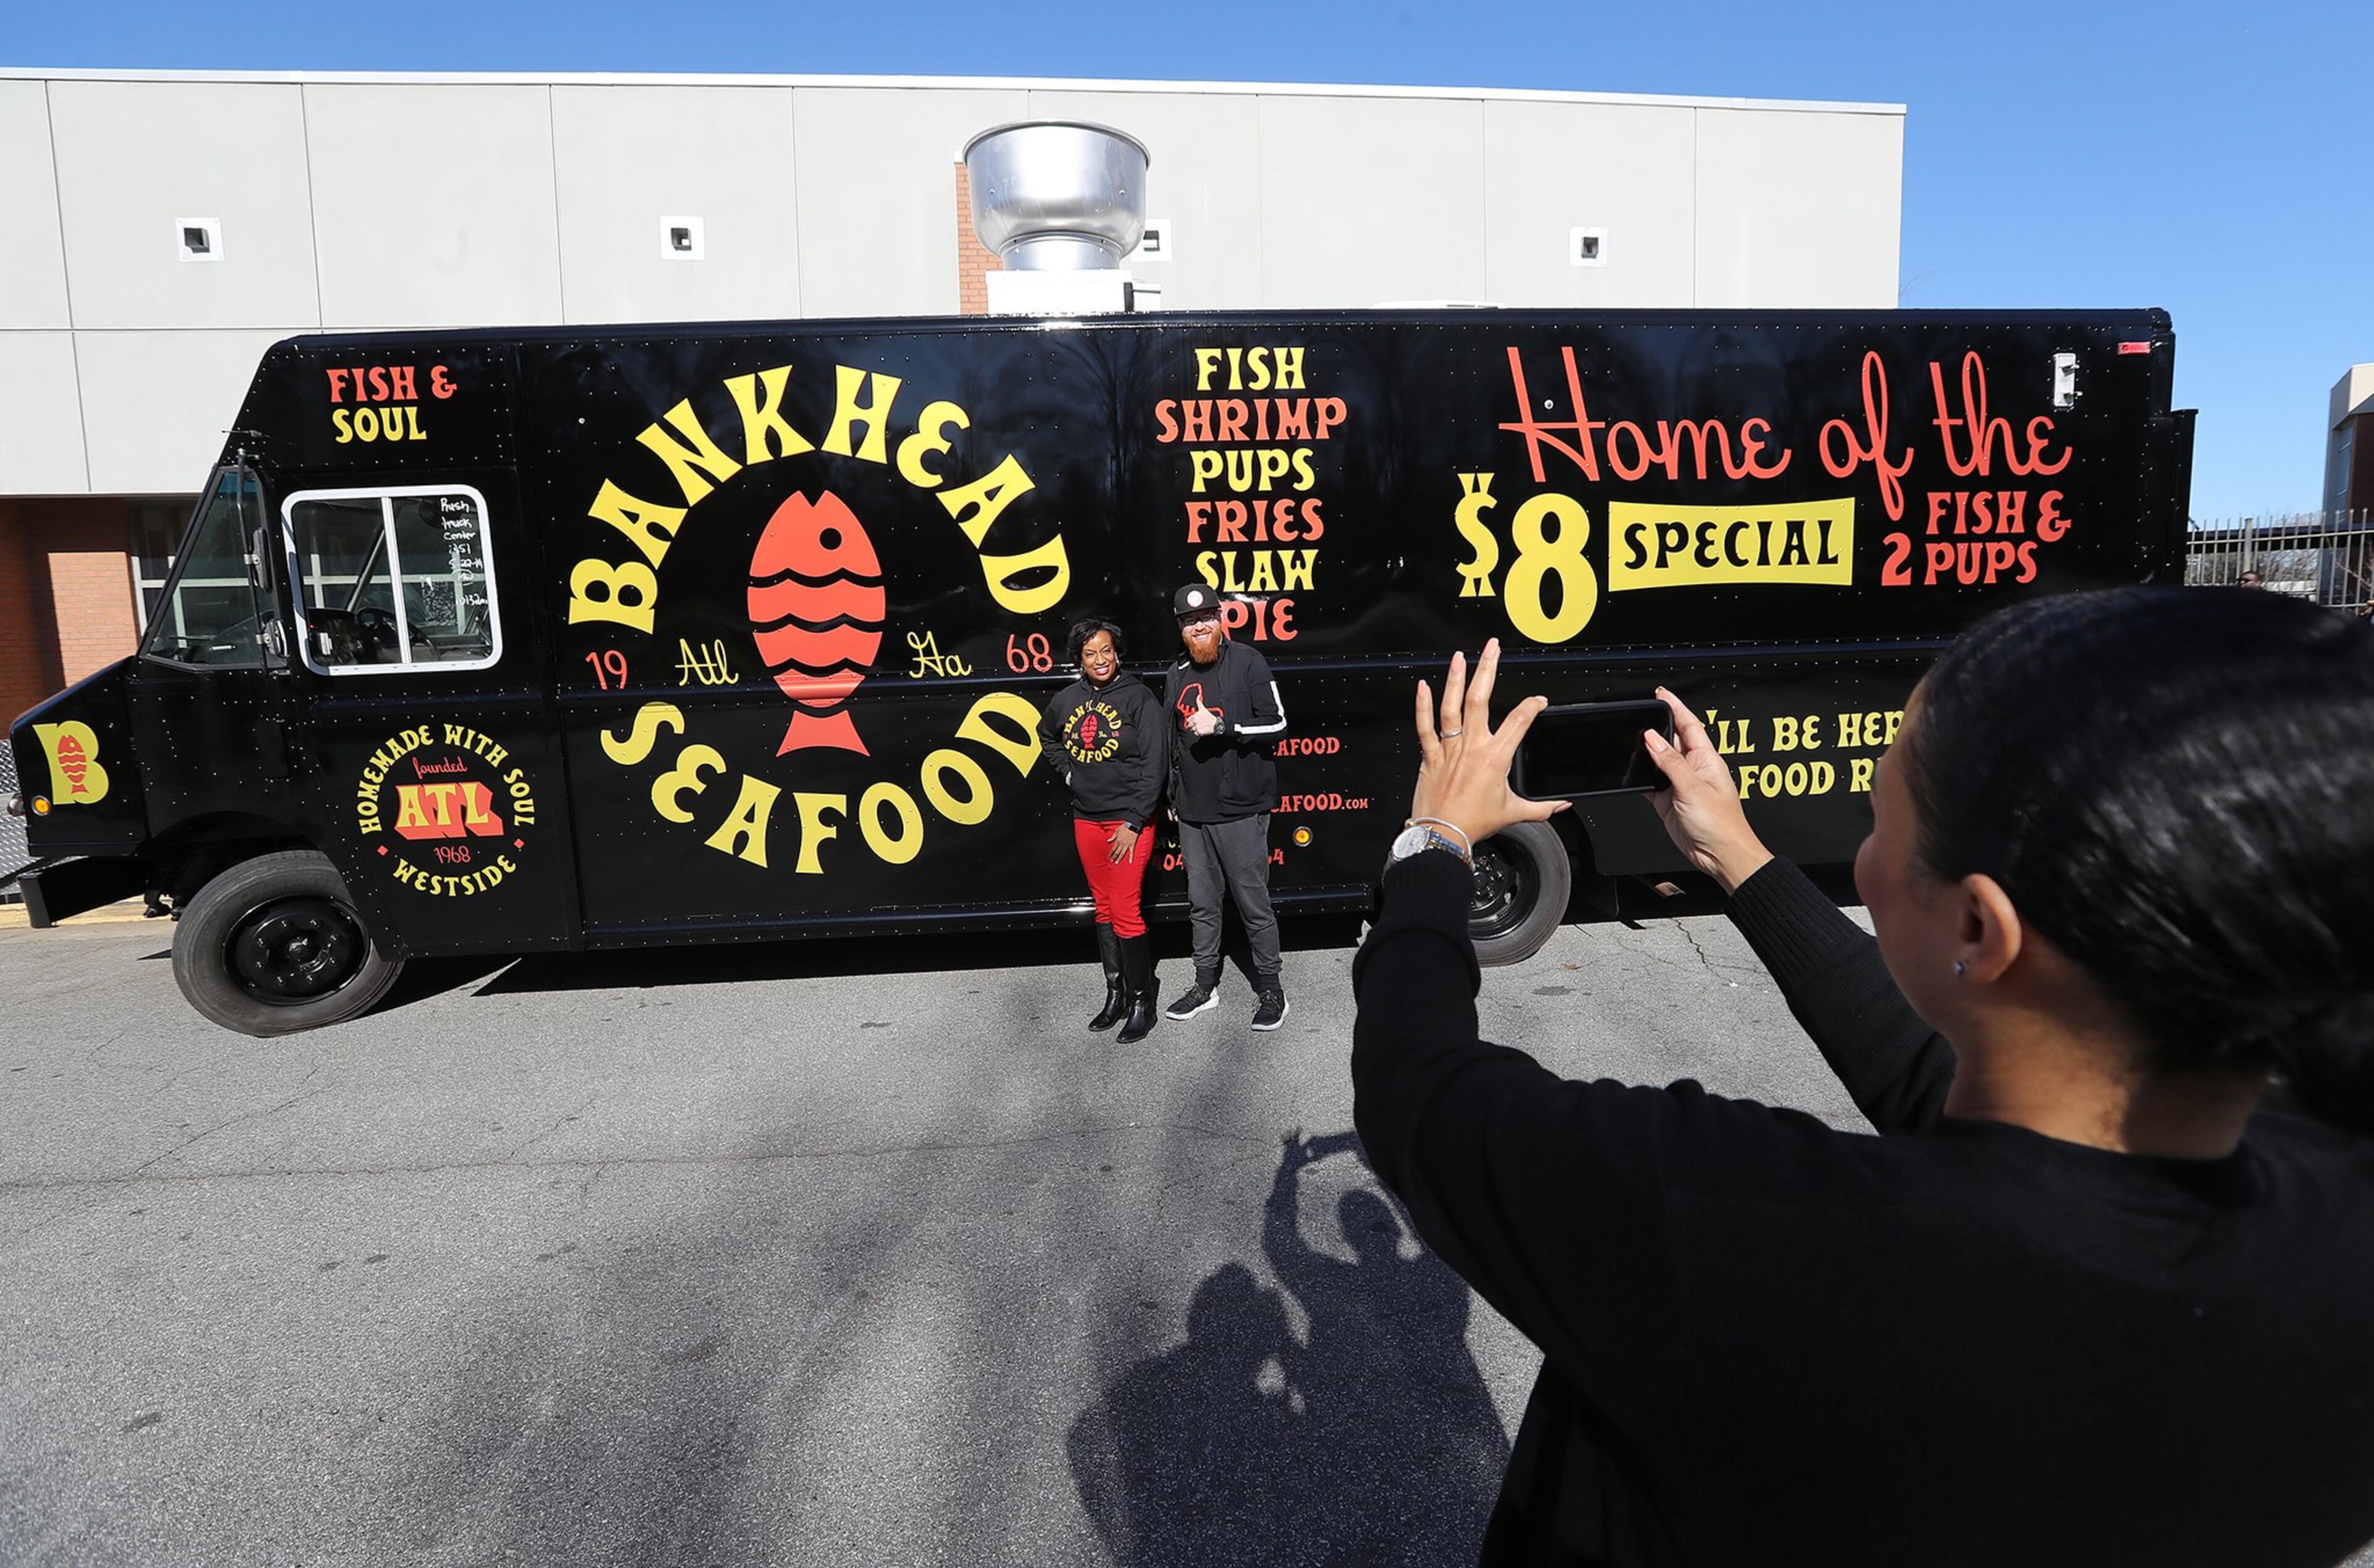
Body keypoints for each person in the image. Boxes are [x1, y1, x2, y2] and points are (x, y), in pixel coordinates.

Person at [1352, 591, 2374, 1566]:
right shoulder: (2334, 1233)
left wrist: (1433, 839)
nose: (1869, 856)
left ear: (1980, 925)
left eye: (1880, 822)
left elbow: (1419, 1087)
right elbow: (1937, 1081)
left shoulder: (1730, 1225)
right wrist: (1738, 854)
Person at [1162, 583, 1291, 1030]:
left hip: (1240, 809)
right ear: (1181, 629)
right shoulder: (1177, 671)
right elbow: (1171, 741)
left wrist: (1223, 724)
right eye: (1189, 622)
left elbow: (1278, 723)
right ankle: (1204, 985)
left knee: (1253, 903)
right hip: (1193, 814)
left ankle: (1272, 989)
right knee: (1202, 904)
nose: (1199, 627)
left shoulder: (1248, 661)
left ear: (1221, 620)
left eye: (1206, 618)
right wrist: (1171, 796)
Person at [1039, 617, 1167, 1043]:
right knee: (1104, 908)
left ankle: (1142, 1001)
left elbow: (1155, 766)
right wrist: (1070, 775)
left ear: (1118, 653)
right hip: (1087, 817)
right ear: (1079, 658)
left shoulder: (1138, 698)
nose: (1100, 659)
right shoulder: (1068, 699)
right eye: (1090, 653)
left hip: (1127, 820)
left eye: (1106, 651)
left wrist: (1134, 820)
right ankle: (1116, 995)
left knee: (1126, 908)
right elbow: (1048, 737)